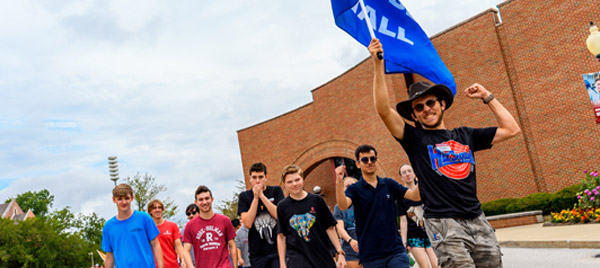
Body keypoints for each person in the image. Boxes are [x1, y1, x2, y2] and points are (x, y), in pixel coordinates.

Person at [368, 38, 521, 267]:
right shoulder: (414, 139)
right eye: (418, 108)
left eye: (430, 103)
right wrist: (378, 65)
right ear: (415, 116)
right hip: (444, 223)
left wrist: (487, 97)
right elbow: (383, 110)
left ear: (441, 104)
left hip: (477, 218)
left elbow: (511, 129)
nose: (425, 109)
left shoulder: (465, 136)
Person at [336, 145, 420, 268]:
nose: (369, 162)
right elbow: (343, 206)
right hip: (371, 255)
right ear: (358, 164)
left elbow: (415, 196)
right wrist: (338, 182)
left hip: (395, 251)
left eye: (373, 159)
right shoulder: (355, 189)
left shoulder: (388, 184)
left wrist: (421, 174)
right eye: (365, 160)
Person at [277, 165, 346, 268]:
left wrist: (339, 252)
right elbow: (281, 236)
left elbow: (330, 227)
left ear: (303, 179)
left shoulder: (317, 200)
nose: (294, 184)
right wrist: (282, 264)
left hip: (322, 255)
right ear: (285, 184)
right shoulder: (282, 206)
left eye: (297, 180)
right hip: (298, 258)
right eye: (289, 182)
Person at [101, 183, 164, 268]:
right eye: (120, 199)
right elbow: (109, 256)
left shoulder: (144, 218)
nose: (124, 202)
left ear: (132, 198)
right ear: (113, 200)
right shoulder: (108, 226)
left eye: (126, 198)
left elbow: (156, 245)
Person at [237, 162, 285, 268]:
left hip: (277, 249)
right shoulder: (244, 197)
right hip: (257, 253)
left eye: (260, 177)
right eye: (254, 177)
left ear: (266, 177)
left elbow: (280, 215)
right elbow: (247, 223)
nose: (257, 181)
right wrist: (255, 198)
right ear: (250, 178)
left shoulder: (276, 191)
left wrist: (262, 196)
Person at [182, 185, 238, 268]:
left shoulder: (225, 220)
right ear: (196, 202)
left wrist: (235, 266)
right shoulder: (190, 226)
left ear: (212, 199)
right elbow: (186, 251)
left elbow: (232, 246)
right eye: (201, 199)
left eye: (207, 198)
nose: (204, 202)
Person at [396, 165, 439, 268]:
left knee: (437, 265)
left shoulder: (424, 191)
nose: (407, 174)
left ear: (414, 173)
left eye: (409, 171)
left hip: (430, 234)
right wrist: (404, 241)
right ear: (401, 177)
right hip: (414, 237)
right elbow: (403, 221)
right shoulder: (400, 197)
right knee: (425, 266)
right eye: (404, 172)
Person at [148, 199, 187, 268]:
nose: (157, 210)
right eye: (154, 208)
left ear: (162, 210)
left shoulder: (172, 226)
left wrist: (183, 259)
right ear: (150, 211)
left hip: (172, 265)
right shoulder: (146, 228)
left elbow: (179, 246)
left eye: (159, 207)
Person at [333, 177, 361, 268]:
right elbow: (339, 228)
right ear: (343, 189)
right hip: (350, 251)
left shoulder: (365, 203)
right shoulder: (338, 207)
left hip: (369, 249)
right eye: (347, 186)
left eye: (352, 185)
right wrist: (350, 240)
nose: (350, 187)